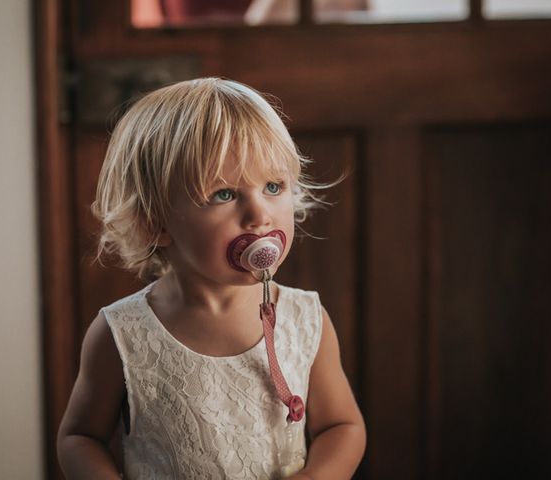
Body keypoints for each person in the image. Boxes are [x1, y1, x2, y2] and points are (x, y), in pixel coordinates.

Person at [57, 78, 366, 479]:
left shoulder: (305, 320)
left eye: (273, 186)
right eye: (224, 194)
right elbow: (80, 438)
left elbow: (343, 427)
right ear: (155, 222)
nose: (259, 214)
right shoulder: (122, 334)